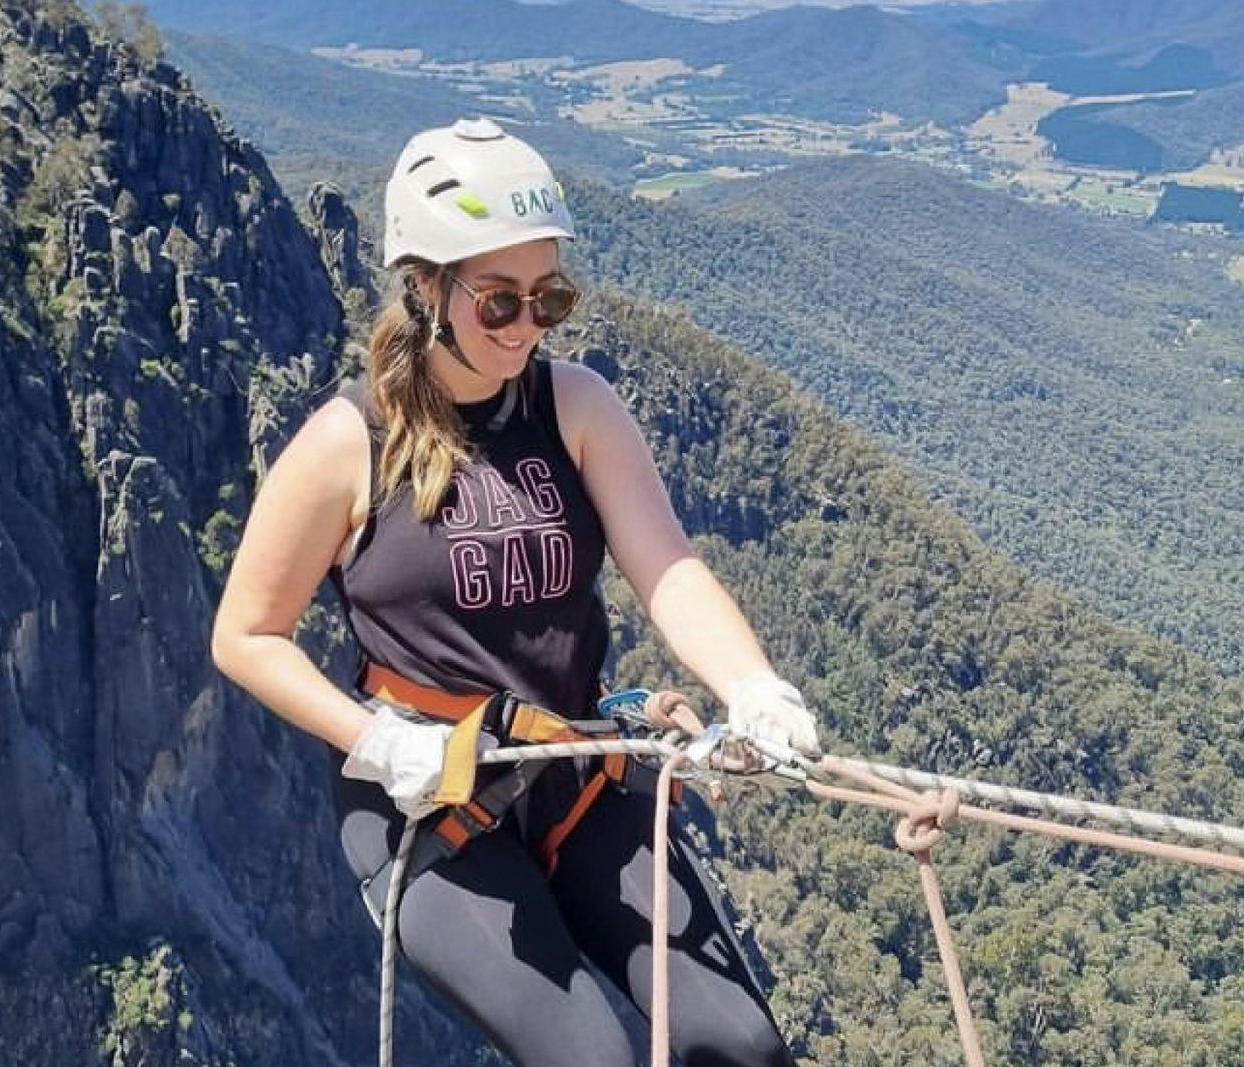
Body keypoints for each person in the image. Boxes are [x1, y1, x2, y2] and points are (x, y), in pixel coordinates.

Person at [211, 117, 819, 1066]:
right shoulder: (348, 444)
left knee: (740, 1047)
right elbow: (246, 633)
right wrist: (375, 738)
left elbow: (667, 569)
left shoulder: (573, 407)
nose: (528, 327)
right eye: (500, 303)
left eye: (550, 300)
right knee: (594, 1061)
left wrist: (753, 685)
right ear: (424, 288)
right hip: (431, 804)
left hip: (574, 770)